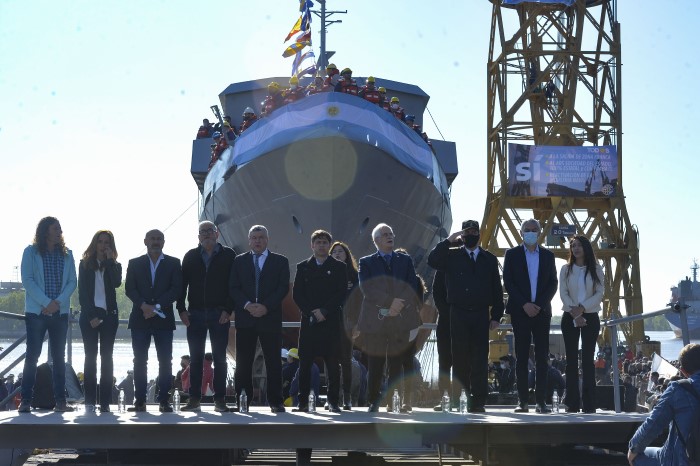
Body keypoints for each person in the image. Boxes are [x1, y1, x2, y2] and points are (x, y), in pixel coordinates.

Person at [427, 220, 504, 412]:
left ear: (479, 233)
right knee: (459, 358)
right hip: (458, 313)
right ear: (462, 234)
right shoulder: (451, 257)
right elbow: (432, 260)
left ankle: (478, 401)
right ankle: (458, 398)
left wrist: (496, 315)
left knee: (479, 358)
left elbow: (497, 289)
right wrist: (449, 240)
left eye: (474, 231)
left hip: (480, 313)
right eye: (467, 231)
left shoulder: (489, 259)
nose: (471, 234)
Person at [357, 223, 421, 412]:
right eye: (385, 234)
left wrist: (399, 304)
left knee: (396, 363)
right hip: (376, 320)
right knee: (375, 363)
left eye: (391, 233)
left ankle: (396, 401)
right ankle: (373, 401)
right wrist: (390, 302)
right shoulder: (366, 262)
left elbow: (411, 284)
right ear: (376, 240)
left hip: (400, 319)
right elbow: (367, 288)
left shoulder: (405, 260)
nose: (389, 236)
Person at [18, 217, 77, 413]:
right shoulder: (30, 252)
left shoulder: (68, 255)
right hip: (37, 313)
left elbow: (72, 282)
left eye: (60, 227)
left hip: (59, 313)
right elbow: (27, 280)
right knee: (32, 356)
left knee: (59, 358)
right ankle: (25, 400)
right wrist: (46, 303)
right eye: (55, 228)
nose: (60, 231)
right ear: (45, 231)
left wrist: (57, 303)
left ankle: (60, 401)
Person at [229, 225, 289, 413]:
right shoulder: (239, 261)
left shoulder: (280, 261)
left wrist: (266, 307)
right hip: (246, 319)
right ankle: (243, 400)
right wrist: (247, 305)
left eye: (261, 237)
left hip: (269, 318)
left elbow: (282, 288)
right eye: (254, 237)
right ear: (249, 240)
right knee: (243, 362)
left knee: (273, 362)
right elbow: (233, 287)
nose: (257, 240)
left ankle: (276, 401)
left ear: (267, 239)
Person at [177, 220, 236, 413]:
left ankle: (220, 400)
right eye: (203, 232)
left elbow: (234, 285)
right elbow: (181, 286)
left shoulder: (229, 255)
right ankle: (194, 399)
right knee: (195, 359)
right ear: (198, 236)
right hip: (195, 313)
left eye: (210, 231)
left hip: (219, 313)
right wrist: (181, 309)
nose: (207, 234)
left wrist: (228, 309)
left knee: (220, 359)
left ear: (217, 233)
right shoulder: (191, 256)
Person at [503, 219, 558, 414]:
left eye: (535, 230)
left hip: (542, 313)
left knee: (542, 357)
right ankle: (523, 401)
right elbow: (508, 282)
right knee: (522, 356)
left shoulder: (548, 256)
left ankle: (541, 402)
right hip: (521, 311)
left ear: (540, 233)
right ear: (521, 233)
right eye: (528, 230)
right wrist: (524, 304)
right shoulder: (512, 254)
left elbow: (553, 283)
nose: (531, 232)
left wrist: (539, 305)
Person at [125, 229, 183, 412]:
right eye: (152, 239)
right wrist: (144, 306)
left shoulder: (174, 263)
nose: (155, 242)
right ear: (145, 242)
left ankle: (164, 401)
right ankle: (140, 401)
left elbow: (176, 289)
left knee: (165, 361)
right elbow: (130, 288)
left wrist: (155, 307)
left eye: (159, 239)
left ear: (164, 242)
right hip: (140, 319)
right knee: (140, 361)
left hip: (163, 321)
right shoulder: (134, 263)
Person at [292, 230, 347, 413]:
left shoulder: (339, 267)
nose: (321, 245)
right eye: (318, 242)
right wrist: (312, 312)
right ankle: (303, 402)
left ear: (329, 246)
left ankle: (333, 401)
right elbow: (297, 294)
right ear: (312, 245)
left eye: (324, 242)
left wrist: (325, 311)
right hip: (309, 322)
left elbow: (341, 293)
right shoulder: (303, 267)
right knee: (305, 363)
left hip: (330, 321)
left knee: (332, 363)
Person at [628, 343, 700, 466]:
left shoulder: (679, 389)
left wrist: (633, 448)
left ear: (682, 371)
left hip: (683, 459)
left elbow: (654, 423)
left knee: (637, 456)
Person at [559, 235, 605, 413]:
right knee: (571, 361)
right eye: (573, 245)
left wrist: (583, 309)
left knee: (587, 360)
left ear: (586, 248)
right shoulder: (566, 269)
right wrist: (574, 313)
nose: (575, 248)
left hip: (590, 316)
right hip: (569, 316)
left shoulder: (596, 269)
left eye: (578, 245)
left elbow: (600, 293)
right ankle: (571, 403)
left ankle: (589, 404)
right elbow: (563, 292)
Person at [78, 230, 122, 412]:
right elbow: (82, 293)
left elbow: (117, 283)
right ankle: (89, 400)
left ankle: (105, 403)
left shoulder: (115, 265)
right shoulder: (84, 264)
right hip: (90, 315)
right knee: (90, 358)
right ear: (94, 243)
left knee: (107, 359)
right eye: (100, 241)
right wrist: (91, 316)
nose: (103, 245)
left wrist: (110, 261)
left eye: (107, 242)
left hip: (109, 316)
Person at [330, 241, 361, 410]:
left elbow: (359, 301)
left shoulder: (354, 275)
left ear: (347, 255)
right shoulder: (326, 273)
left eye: (340, 251)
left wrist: (358, 324)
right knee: (331, 360)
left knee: (346, 360)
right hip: (330, 322)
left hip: (347, 322)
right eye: (334, 252)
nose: (337, 254)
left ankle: (347, 396)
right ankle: (332, 397)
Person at [431, 269, 452, 410]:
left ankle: (460, 398)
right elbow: (436, 292)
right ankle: (445, 399)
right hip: (446, 322)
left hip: (465, 320)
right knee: (444, 363)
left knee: (464, 363)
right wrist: (447, 313)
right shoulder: (443, 266)